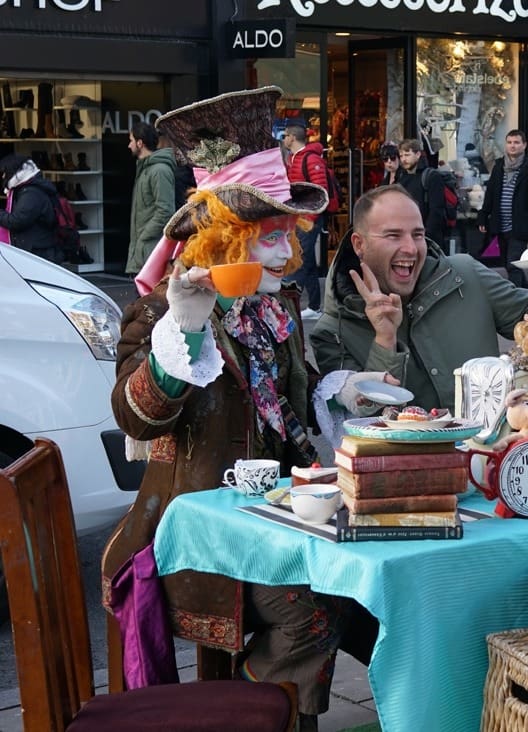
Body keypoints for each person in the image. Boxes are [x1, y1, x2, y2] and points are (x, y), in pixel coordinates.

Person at [104, 87, 373, 732]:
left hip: (282, 518)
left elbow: (286, 402)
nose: (286, 253)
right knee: (311, 613)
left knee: (365, 589)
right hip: (192, 537)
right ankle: (254, 713)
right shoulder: (156, 317)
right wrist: (185, 331)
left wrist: (339, 392)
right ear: (222, 243)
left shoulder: (278, 312)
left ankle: (277, 713)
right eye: (267, 237)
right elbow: (136, 417)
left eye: (287, 234)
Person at [311, 185, 528, 413]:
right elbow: (365, 415)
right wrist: (385, 341)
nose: (410, 248)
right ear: (359, 245)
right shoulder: (333, 332)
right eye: (393, 235)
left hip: (487, 458)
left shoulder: (465, 274)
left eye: (417, 234)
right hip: (407, 470)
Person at [477, 129, 528, 288]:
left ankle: (517, 298)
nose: (512, 146)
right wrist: (483, 215)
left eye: (516, 142)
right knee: (508, 263)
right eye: (509, 142)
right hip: (500, 224)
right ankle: (526, 290)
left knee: (513, 263)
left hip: (521, 225)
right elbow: (491, 194)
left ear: (524, 145)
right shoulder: (498, 167)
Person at [283, 120, 327, 318]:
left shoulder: (309, 159)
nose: (283, 139)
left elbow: (321, 190)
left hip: (308, 218)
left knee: (299, 260)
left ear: (292, 137)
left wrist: (309, 218)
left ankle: (292, 304)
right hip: (300, 217)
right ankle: (314, 306)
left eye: (285, 135)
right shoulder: (293, 158)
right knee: (305, 260)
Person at [125, 121, 177, 276]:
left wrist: (143, 237)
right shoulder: (145, 169)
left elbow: (166, 211)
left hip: (150, 251)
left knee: (150, 299)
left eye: (131, 140)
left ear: (140, 143)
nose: (129, 145)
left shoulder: (159, 171)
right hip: (144, 252)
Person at [0, 153, 59, 262]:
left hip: (37, 251)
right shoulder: (24, 189)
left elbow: (17, 221)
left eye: (4, 172)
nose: (3, 176)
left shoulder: (31, 193)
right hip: (34, 248)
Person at [397, 137, 447, 246]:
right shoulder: (401, 176)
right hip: (407, 236)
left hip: (427, 238)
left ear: (418, 154)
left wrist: (426, 235)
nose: (403, 159)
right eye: (401, 156)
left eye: (407, 155)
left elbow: (436, 210)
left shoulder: (431, 176)